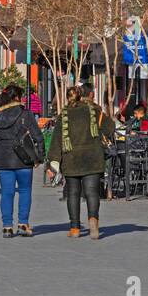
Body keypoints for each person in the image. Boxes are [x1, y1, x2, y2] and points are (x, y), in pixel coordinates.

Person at [47, 83, 115, 239]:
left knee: (73, 194)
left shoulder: (64, 115)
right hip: (93, 158)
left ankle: (75, 228)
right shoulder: (94, 111)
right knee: (92, 193)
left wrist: (52, 162)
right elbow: (110, 127)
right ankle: (93, 221)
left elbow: (56, 141)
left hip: (71, 160)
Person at [0, 87, 39, 237]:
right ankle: (23, 224)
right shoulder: (25, 113)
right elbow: (37, 135)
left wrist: (1, 147)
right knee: (25, 190)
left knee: (7, 193)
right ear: (16, 97)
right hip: (23, 157)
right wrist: (39, 156)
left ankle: (7, 226)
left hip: (3, 157)